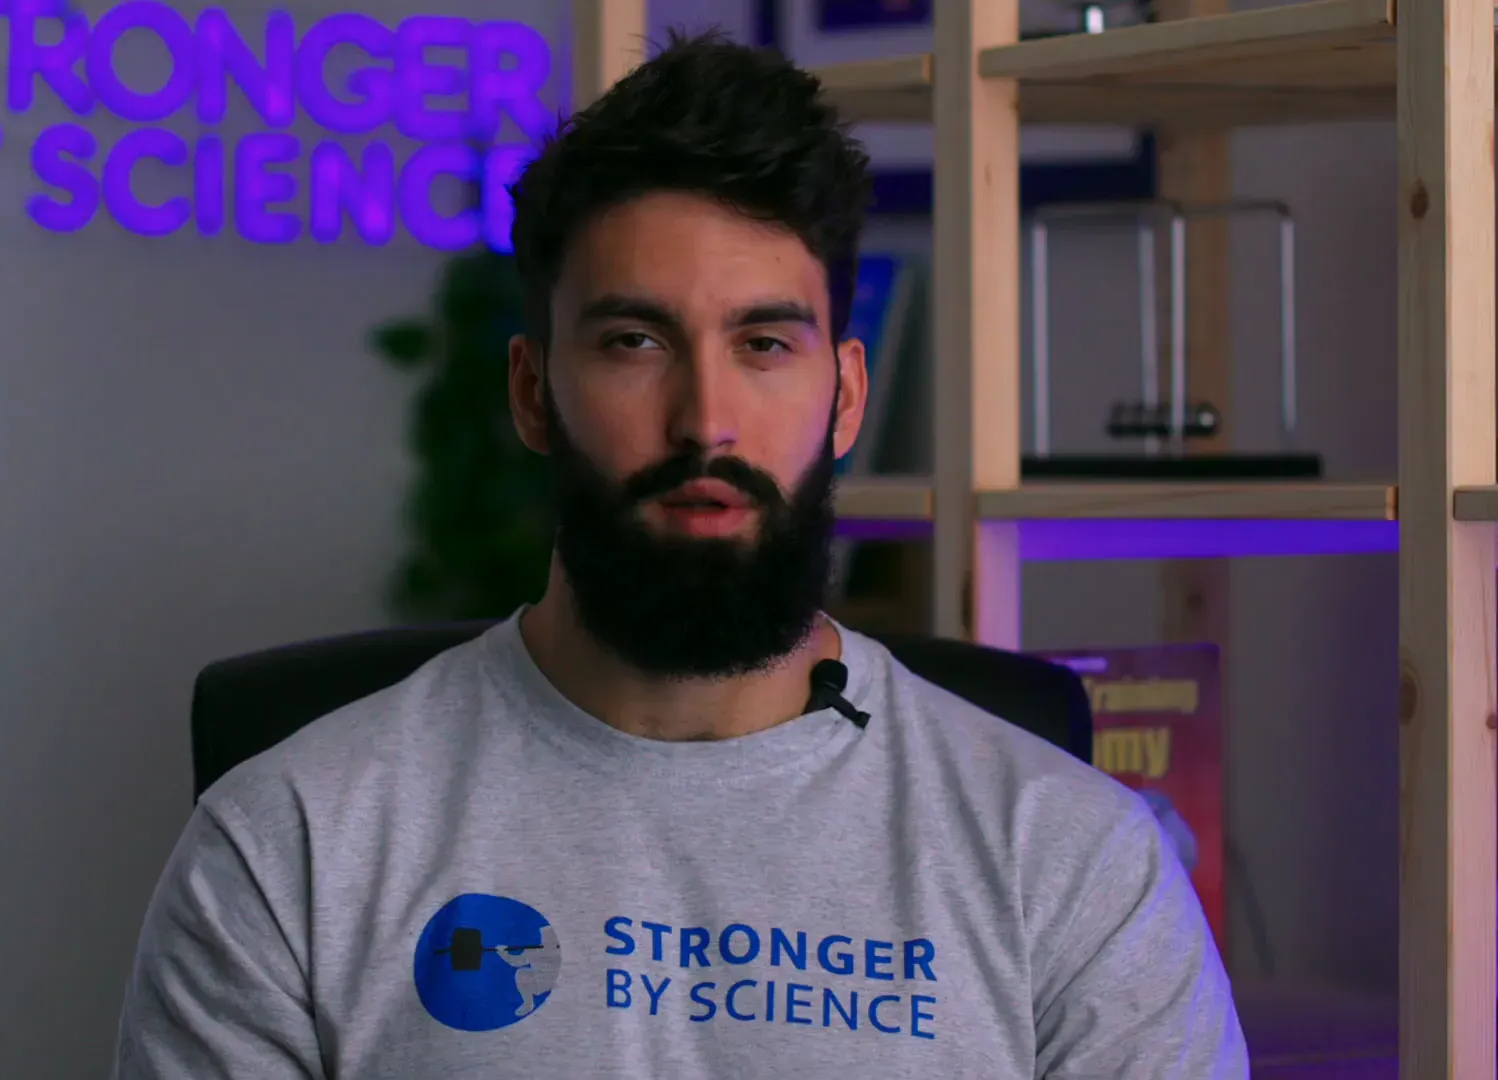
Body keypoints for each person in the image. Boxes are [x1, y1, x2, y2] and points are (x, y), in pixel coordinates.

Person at [111, 28, 1247, 1079]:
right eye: (633, 340)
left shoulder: (1067, 862)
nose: (705, 418)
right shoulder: (293, 845)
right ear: (533, 391)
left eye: (763, 343)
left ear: (844, 396)